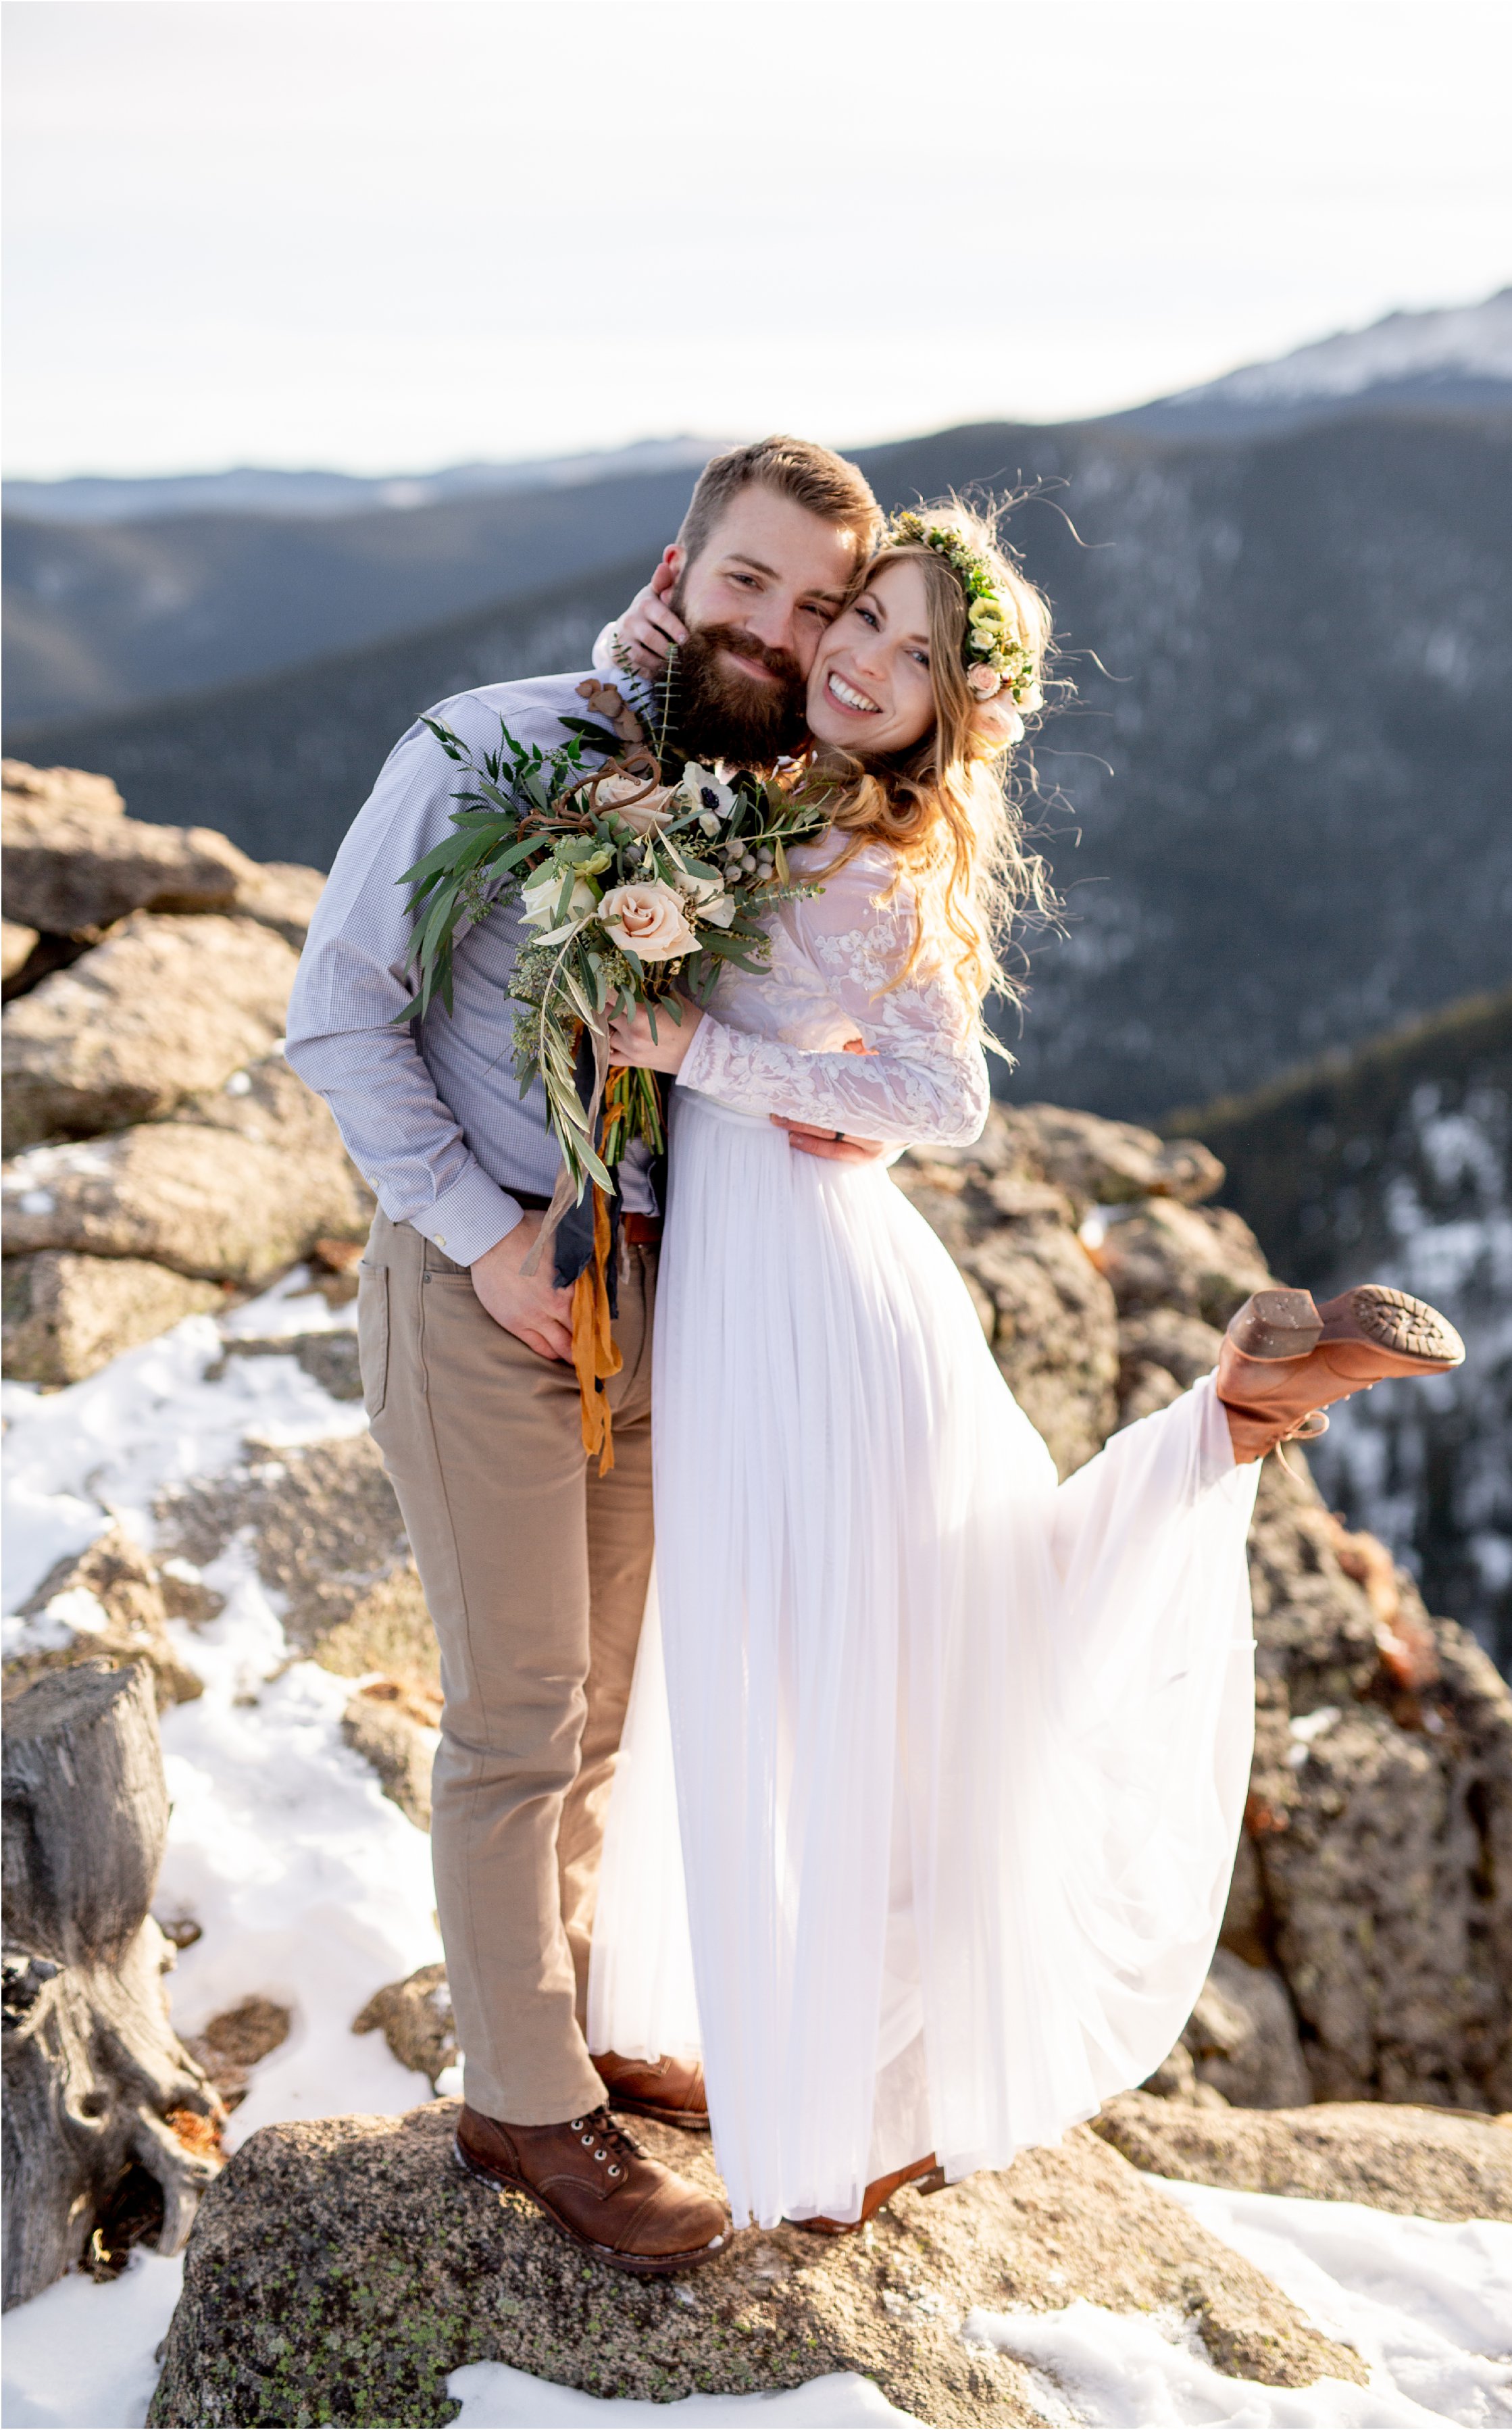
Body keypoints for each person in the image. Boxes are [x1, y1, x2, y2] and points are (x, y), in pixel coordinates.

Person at [594, 503, 1466, 2232]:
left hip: (822, 1310)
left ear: (950, 710)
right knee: (865, 1664)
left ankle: (846, 2098)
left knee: (861, 1683)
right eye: (863, 621)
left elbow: (946, 1101)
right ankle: (1233, 1415)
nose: (864, 659)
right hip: (754, 1282)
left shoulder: (879, 859)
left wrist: (708, 1046)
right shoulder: (788, 809)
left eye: (917, 653)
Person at [284, 436, 890, 2276]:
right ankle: (526, 2104)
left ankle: (559, 2022)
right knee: (521, 1702)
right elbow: (339, 1011)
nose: (776, 633)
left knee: (606, 1700)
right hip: (486, 1297)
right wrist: (485, 1239)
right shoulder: (486, 745)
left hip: (650, 1307)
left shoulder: (762, 812)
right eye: (751, 586)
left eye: (812, 609)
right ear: (681, 566)